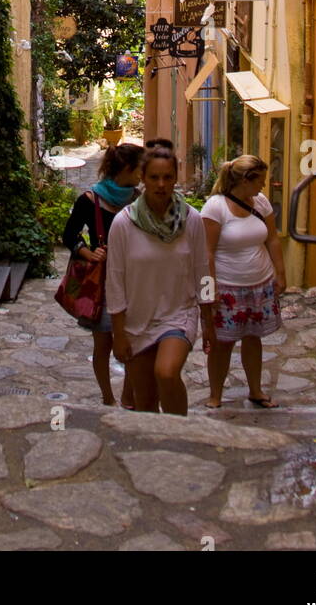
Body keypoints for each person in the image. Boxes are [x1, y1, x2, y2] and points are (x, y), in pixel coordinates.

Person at [106, 145, 215, 415]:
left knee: (166, 373)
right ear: (143, 178)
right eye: (154, 177)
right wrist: (118, 334)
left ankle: (181, 433)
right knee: (144, 401)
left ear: (175, 178)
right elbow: (115, 281)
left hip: (179, 313)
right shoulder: (124, 223)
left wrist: (208, 320)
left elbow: (203, 271)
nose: (161, 184)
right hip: (136, 321)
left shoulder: (191, 220)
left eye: (167, 177)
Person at [201, 154, 287, 409]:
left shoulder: (260, 202)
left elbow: (271, 239)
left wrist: (280, 274)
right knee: (222, 343)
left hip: (259, 284)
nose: (263, 186)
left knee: (253, 338)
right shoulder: (215, 208)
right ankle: (215, 394)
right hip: (228, 287)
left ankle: (256, 390)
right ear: (245, 181)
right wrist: (210, 289)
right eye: (259, 180)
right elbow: (207, 251)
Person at [62, 142, 143, 407]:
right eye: (139, 168)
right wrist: (89, 254)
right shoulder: (90, 199)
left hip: (133, 280)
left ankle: (127, 395)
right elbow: (69, 235)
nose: (142, 174)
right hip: (103, 284)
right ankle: (107, 397)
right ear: (127, 169)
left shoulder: (137, 198)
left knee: (133, 343)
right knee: (103, 344)